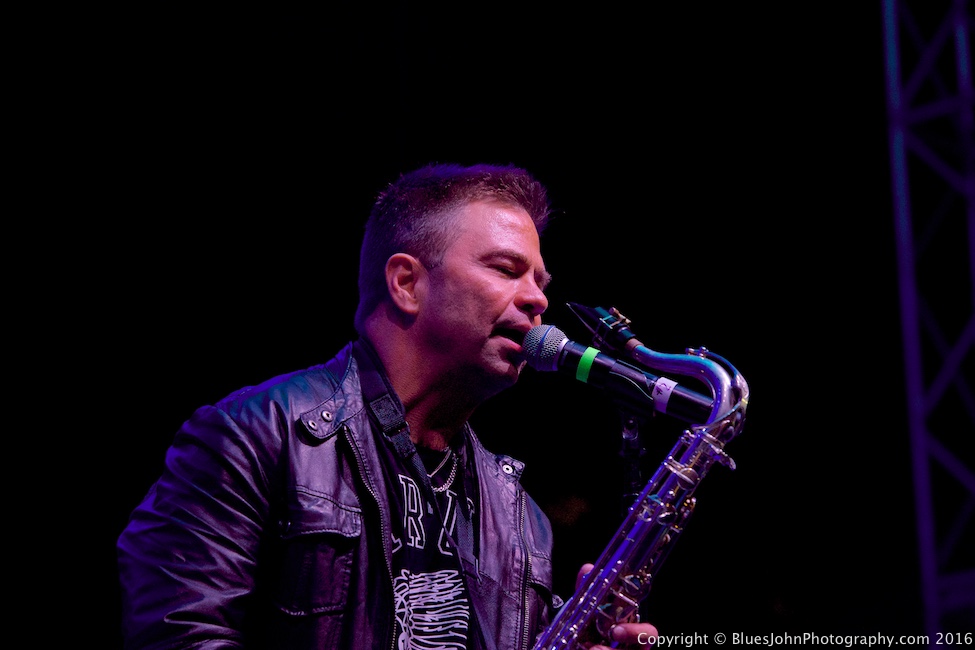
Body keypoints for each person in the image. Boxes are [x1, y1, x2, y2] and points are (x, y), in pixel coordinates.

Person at [117, 162, 659, 649]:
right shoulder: (253, 434)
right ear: (405, 283)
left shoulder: (521, 518)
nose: (538, 299)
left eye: (539, 281)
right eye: (505, 268)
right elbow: (176, 635)